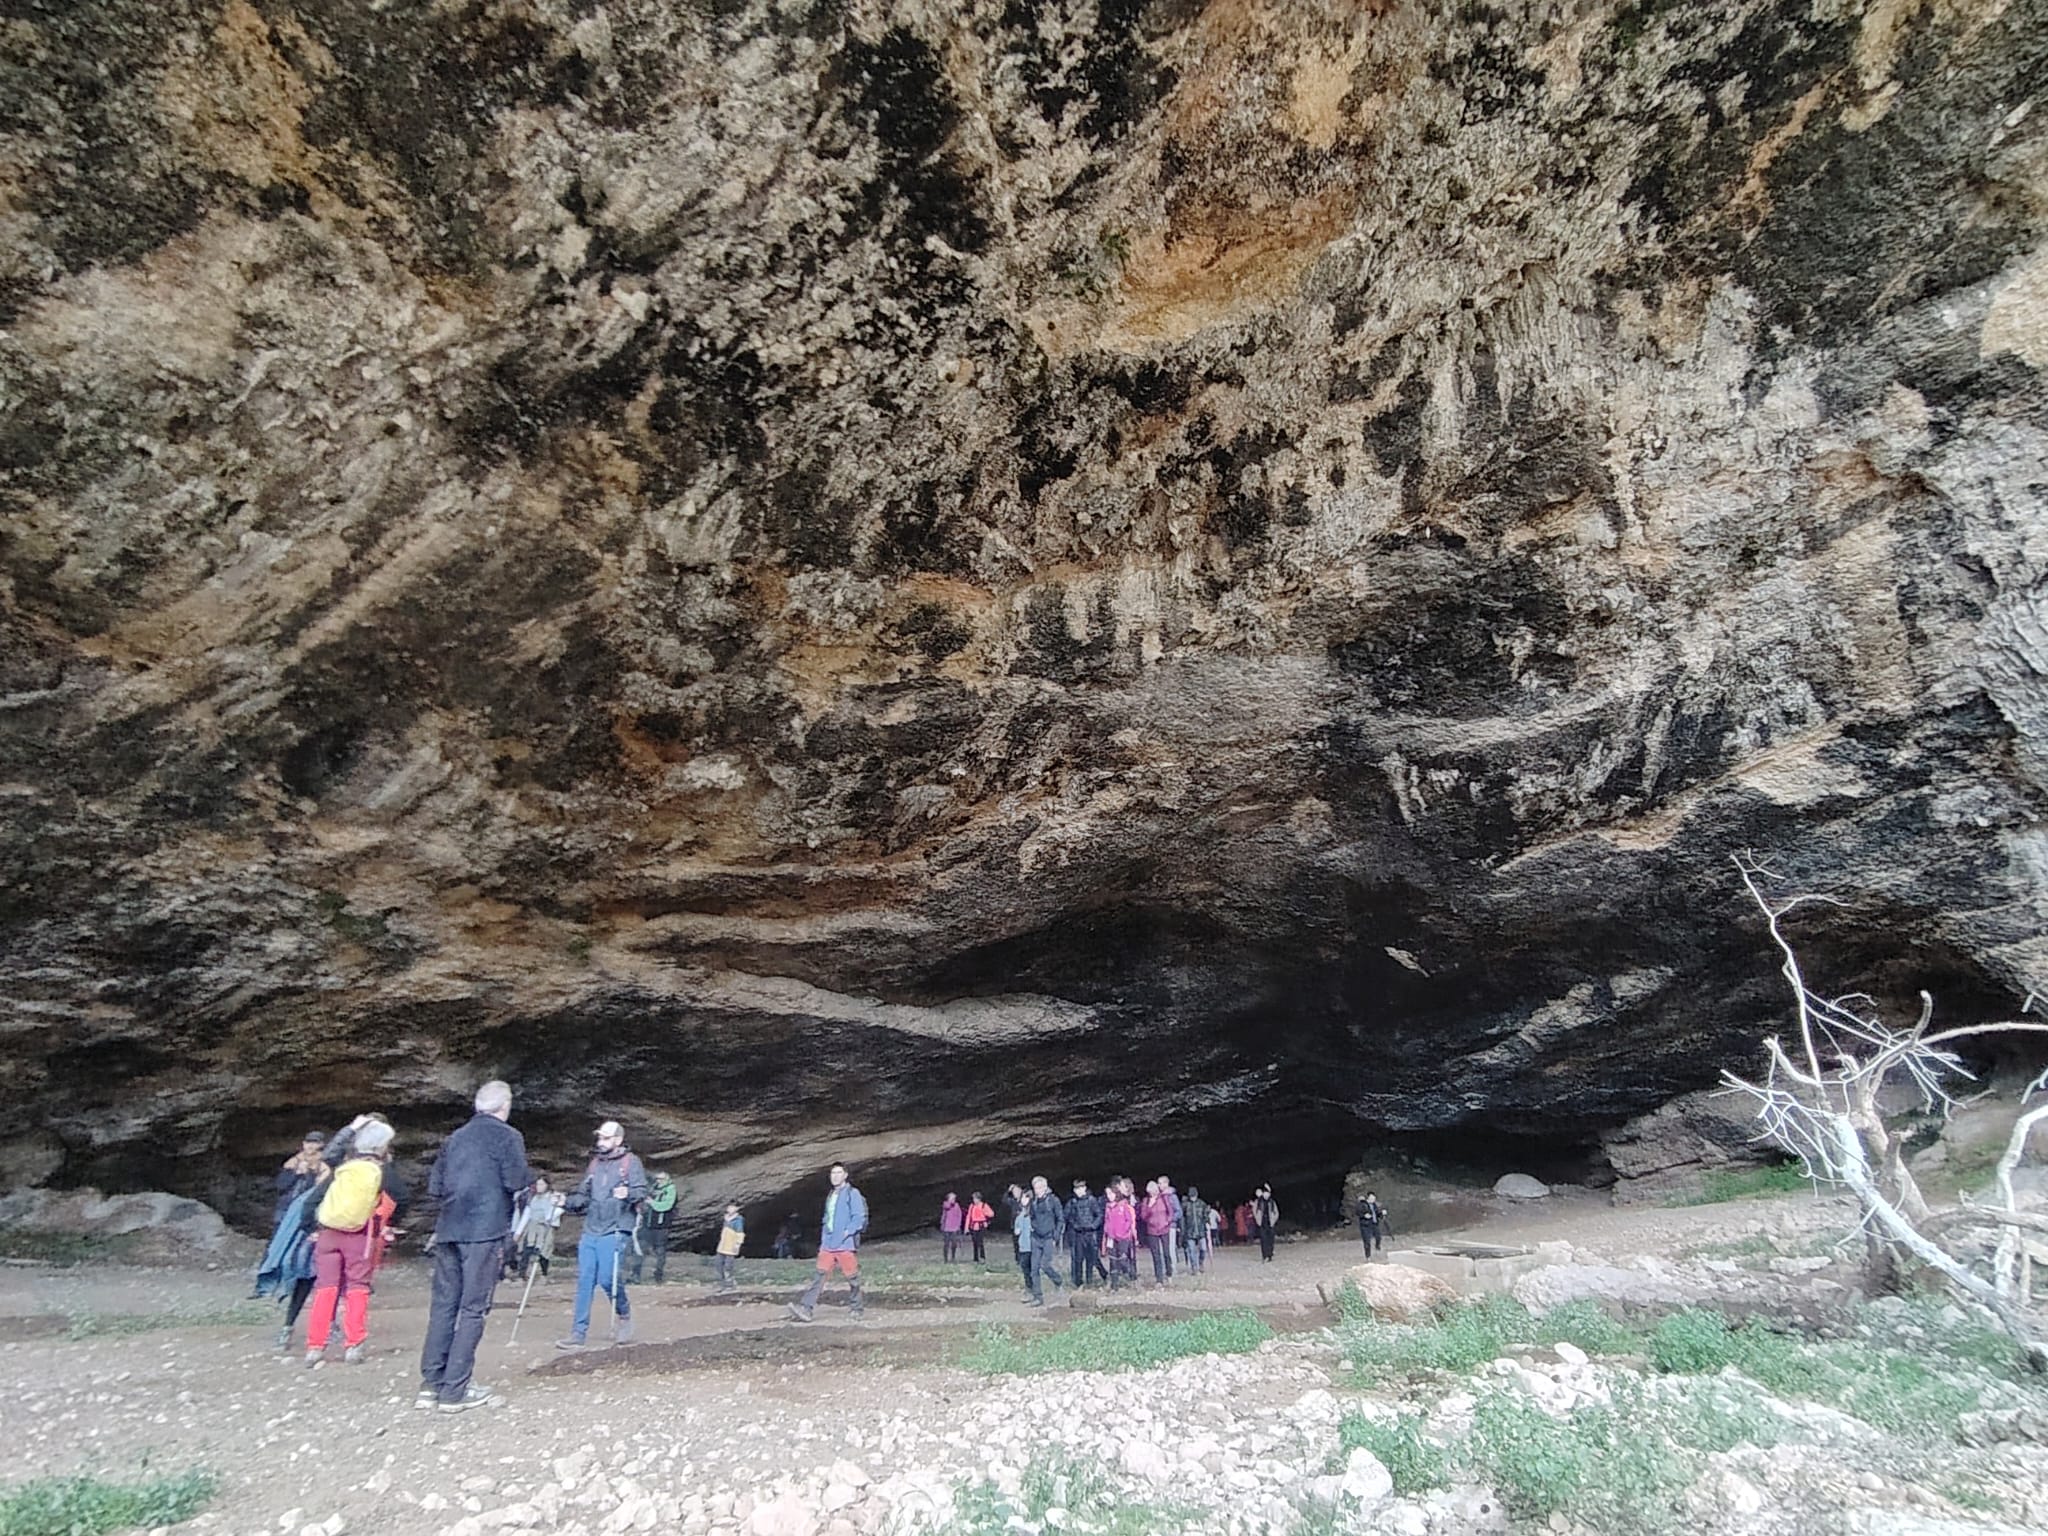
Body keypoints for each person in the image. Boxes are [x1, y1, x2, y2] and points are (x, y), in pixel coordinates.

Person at [418, 1079, 532, 1412]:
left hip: (449, 1230)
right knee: (473, 1308)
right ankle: (455, 1390)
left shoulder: (454, 1139)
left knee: (443, 1305)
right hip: (484, 1232)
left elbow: (435, 1187)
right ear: (505, 1106)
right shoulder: (508, 1136)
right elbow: (514, 1180)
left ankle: (431, 1384)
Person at [304, 1116, 398, 1367]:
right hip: (360, 1234)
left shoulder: (341, 1167)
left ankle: (315, 1346)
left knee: (326, 1288)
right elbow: (401, 1196)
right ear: (382, 1146)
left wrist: (352, 1128)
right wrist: (382, 1221)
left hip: (328, 1233)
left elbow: (313, 1196)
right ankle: (353, 1344)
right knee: (357, 1287)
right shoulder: (381, 1171)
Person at [556, 1120, 647, 1351]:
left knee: (607, 1278)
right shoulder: (595, 1164)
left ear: (618, 1140)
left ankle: (624, 1313)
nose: (600, 1142)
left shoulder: (631, 1162)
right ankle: (578, 1333)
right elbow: (583, 1197)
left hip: (616, 1228)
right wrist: (565, 1201)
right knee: (585, 1279)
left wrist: (628, 1193)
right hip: (591, 1229)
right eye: (600, 1138)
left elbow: (641, 1192)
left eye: (605, 1138)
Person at [787, 1164, 868, 1322]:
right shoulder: (831, 1194)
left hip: (845, 1244)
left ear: (845, 1175)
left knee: (852, 1278)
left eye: (838, 1173)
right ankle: (806, 1309)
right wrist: (824, 1240)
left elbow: (859, 1217)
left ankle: (857, 1307)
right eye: (832, 1173)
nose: (835, 1176)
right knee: (820, 1276)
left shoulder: (853, 1193)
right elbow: (827, 1219)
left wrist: (847, 1232)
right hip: (829, 1244)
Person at [1024, 1177, 1067, 1306]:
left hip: (1048, 1237)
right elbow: (1029, 1215)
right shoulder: (1034, 1201)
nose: (1036, 1191)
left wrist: (1056, 1236)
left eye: (1038, 1188)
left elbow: (1060, 1218)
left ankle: (1058, 1280)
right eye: (1035, 1188)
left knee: (1045, 1265)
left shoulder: (1053, 1200)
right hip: (1036, 1237)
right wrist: (1025, 1205)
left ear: (1044, 1187)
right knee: (1034, 1268)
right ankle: (1038, 1297)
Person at [631, 1171, 677, 1283]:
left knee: (660, 1251)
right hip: (647, 1224)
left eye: (661, 1179)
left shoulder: (671, 1189)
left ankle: (658, 1276)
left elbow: (667, 1205)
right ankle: (635, 1275)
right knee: (640, 1249)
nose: (658, 1181)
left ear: (667, 1179)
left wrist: (652, 1203)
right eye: (657, 1179)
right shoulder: (653, 1188)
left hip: (661, 1227)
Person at [514, 1176, 562, 1279]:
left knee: (543, 1251)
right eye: (537, 1184)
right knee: (527, 1249)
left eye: (541, 1184)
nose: (538, 1187)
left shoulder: (553, 1197)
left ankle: (543, 1274)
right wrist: (518, 1231)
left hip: (545, 1228)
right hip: (532, 1228)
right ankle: (522, 1274)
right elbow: (527, 1214)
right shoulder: (533, 1198)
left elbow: (557, 1210)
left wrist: (550, 1217)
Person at [1065, 1180, 1106, 1289]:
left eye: (1080, 1188)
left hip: (1090, 1233)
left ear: (1084, 1188)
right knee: (1078, 1258)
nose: (1078, 1191)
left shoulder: (1091, 1200)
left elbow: (1099, 1214)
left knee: (1091, 1258)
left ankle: (1090, 1280)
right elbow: (1068, 1217)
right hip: (1079, 1234)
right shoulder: (1073, 1202)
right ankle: (1078, 1282)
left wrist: (1093, 1225)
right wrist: (1075, 1225)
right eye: (1076, 1189)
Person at [1103, 1179, 1138, 1290]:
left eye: (1110, 1193)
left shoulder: (1123, 1205)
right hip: (1111, 1238)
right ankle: (1114, 1286)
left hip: (1123, 1237)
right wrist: (1107, 1233)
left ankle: (1133, 1277)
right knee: (1113, 1261)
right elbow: (1107, 1221)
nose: (1109, 1196)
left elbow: (1129, 1220)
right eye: (1107, 1194)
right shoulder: (1108, 1207)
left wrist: (1123, 1231)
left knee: (1123, 1260)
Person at [1139, 1179, 1174, 1285]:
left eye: (1153, 1191)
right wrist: (1150, 1207)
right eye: (1149, 1192)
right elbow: (1143, 1217)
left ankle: (1169, 1274)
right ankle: (1159, 1279)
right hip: (1152, 1230)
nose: (1151, 1193)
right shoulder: (1146, 1201)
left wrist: (1167, 1221)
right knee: (1156, 1255)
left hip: (1164, 1229)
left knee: (1166, 1253)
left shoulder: (1164, 1198)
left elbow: (1170, 1212)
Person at [1180, 1185, 1212, 1276]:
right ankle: (1194, 1267)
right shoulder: (1185, 1205)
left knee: (1203, 1249)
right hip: (1189, 1231)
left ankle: (1201, 1263)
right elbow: (1183, 1218)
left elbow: (1205, 1214)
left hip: (1201, 1230)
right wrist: (1183, 1229)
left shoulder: (1202, 1203)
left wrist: (1207, 1222)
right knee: (1191, 1250)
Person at [715, 1202, 745, 1290]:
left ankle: (729, 1284)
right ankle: (722, 1282)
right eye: (729, 1207)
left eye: (732, 1207)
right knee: (718, 1264)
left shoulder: (738, 1220)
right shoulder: (726, 1219)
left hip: (731, 1246)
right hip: (722, 1245)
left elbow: (740, 1233)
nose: (729, 1209)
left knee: (728, 1266)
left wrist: (737, 1244)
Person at [1158, 1177, 1182, 1278]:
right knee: (1162, 1250)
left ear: (1166, 1184)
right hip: (1160, 1227)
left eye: (1160, 1183)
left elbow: (1179, 1212)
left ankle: (1173, 1269)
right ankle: (1165, 1269)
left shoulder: (1172, 1197)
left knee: (1171, 1249)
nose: (1159, 1185)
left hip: (1170, 1226)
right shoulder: (1159, 1196)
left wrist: (1169, 1220)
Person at [1252, 1184, 1280, 1263]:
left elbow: (1276, 1212)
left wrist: (1273, 1220)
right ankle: (1265, 1255)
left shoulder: (1272, 1202)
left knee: (1270, 1240)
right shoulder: (1258, 1201)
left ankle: (1270, 1254)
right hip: (1262, 1224)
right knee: (1263, 1240)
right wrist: (1258, 1220)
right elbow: (1254, 1211)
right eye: (1265, 1192)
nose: (1266, 1194)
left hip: (1270, 1224)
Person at [1356, 1190, 1390, 1256]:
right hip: (1366, 1225)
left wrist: (1382, 1214)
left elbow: (1377, 1213)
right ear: (1368, 1198)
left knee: (1378, 1237)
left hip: (1374, 1224)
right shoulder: (1362, 1204)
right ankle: (1368, 1256)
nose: (1373, 1199)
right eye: (1371, 1198)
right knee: (1367, 1241)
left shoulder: (1374, 1205)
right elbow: (1358, 1212)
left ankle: (1377, 1247)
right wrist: (1364, 1215)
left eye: (1374, 1198)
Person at [965, 1191, 994, 1264]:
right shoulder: (972, 1206)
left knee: (980, 1242)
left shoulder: (984, 1205)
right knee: (974, 1242)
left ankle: (982, 1257)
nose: (974, 1200)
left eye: (975, 1199)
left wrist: (985, 1212)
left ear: (979, 1199)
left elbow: (991, 1214)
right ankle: (975, 1258)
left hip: (981, 1226)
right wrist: (966, 1227)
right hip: (973, 1226)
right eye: (973, 1199)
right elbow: (969, 1217)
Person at [939, 1192, 964, 1263]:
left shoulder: (957, 1205)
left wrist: (959, 1224)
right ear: (948, 1199)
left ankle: (953, 1257)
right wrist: (950, 1203)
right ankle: (945, 1259)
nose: (953, 1199)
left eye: (954, 1198)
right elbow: (947, 1207)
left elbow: (959, 1215)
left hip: (954, 1227)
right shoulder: (945, 1204)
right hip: (946, 1227)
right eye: (952, 1198)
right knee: (946, 1244)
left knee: (954, 1243)